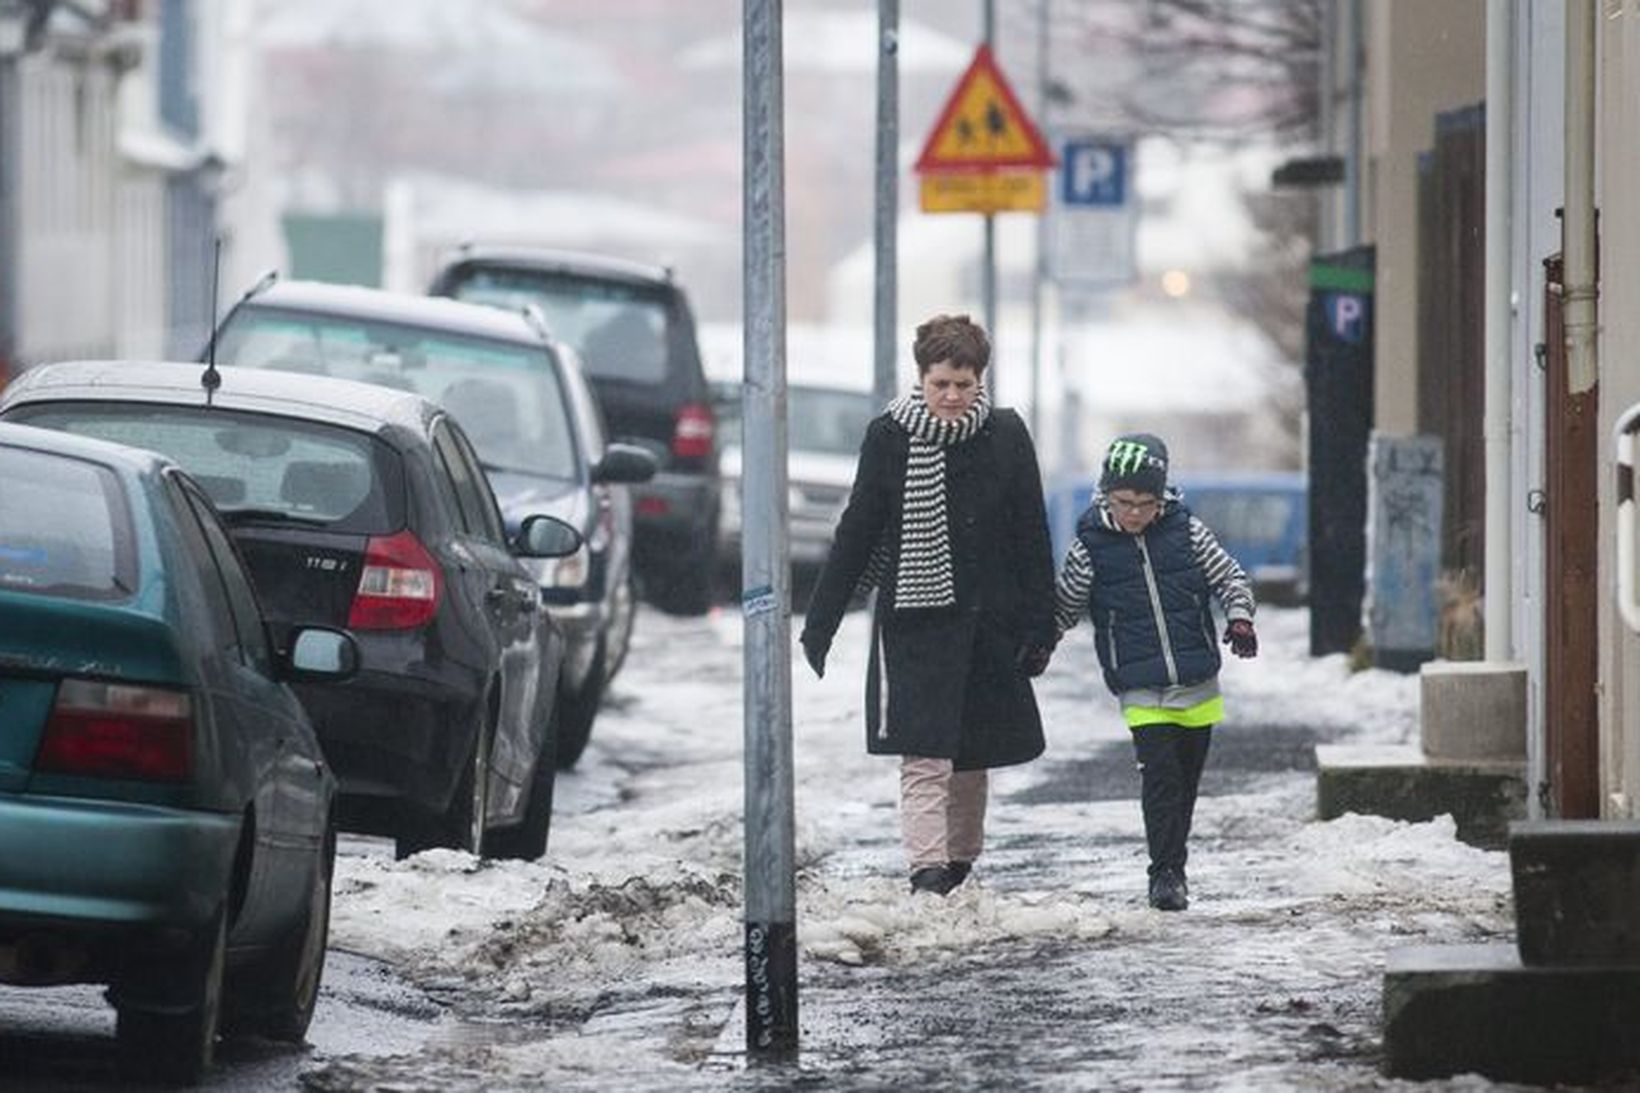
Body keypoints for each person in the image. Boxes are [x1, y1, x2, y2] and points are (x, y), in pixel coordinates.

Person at [800, 313, 1056, 896]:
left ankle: (960, 860)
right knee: (925, 752)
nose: (952, 396)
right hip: (915, 623)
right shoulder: (889, 436)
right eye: (941, 383)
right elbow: (858, 529)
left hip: (990, 620)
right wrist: (823, 621)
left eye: (964, 385)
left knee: (971, 752)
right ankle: (927, 867)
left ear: (980, 381)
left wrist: (1042, 625)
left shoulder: (1007, 434)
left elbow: (1030, 533)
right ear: (921, 377)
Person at [1050, 433, 1258, 912]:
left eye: (1146, 502)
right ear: (1106, 495)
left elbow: (1229, 577)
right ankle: (1164, 874)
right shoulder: (1091, 548)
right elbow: (1066, 605)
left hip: (1196, 676)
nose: (1136, 513)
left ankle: (1173, 861)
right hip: (1138, 682)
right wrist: (1041, 646)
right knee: (1160, 775)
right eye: (1124, 502)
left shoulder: (1187, 533)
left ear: (1162, 495)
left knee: (1184, 781)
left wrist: (1240, 617)